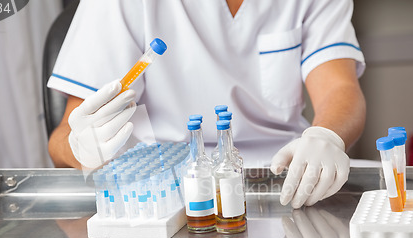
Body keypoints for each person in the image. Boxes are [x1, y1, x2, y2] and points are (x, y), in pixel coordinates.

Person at [47, 0, 366, 209]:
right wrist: (81, 148)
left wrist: (325, 136)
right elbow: (61, 140)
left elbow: (340, 88)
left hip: (281, 184)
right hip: (163, 195)